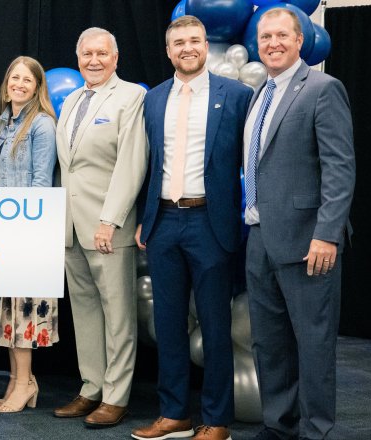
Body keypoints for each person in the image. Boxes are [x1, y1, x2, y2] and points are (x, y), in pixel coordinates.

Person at [131, 15, 253, 440]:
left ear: (205, 46)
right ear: (168, 51)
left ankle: (216, 420)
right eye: (178, 42)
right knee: (168, 325)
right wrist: (145, 218)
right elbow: (149, 164)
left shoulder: (237, 95)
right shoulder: (154, 98)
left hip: (212, 223)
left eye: (194, 41)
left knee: (216, 325)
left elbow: (252, 163)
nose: (187, 48)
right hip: (163, 222)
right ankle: (174, 413)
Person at [244, 8, 354, 440]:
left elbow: (340, 169)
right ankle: (279, 423)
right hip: (259, 236)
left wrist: (327, 234)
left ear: (299, 41)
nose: (272, 43)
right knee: (269, 343)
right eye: (265, 36)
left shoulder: (324, 89)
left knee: (313, 343)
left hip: (309, 241)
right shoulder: (260, 91)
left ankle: (316, 430)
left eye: (281, 36)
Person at [53, 27, 148, 428]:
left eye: (101, 53)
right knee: (85, 312)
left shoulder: (131, 97)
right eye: (86, 53)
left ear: (115, 57)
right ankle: (91, 387)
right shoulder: (72, 100)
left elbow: (131, 163)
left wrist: (110, 220)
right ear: (78, 58)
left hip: (108, 227)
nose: (93, 60)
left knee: (118, 315)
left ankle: (116, 395)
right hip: (71, 228)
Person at [0, 56, 58, 414]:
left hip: (28, 231)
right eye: (15, 78)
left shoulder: (42, 124)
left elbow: (41, 183)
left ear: (37, 86)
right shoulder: (0, 123)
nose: (20, 84)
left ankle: (25, 380)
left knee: (24, 311)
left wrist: (24, 232)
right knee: (8, 312)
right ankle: (17, 381)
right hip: (1, 230)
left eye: (27, 80)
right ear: (7, 83)